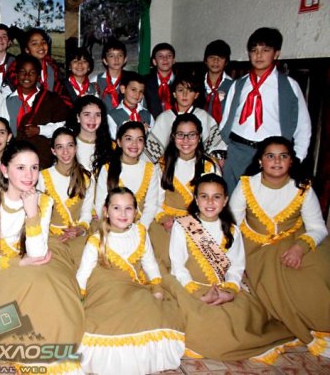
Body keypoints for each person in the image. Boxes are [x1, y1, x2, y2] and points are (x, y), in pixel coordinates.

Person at [0, 141, 84, 371]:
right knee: (7, 294)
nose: (29, 175)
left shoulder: (44, 201)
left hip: (30, 255)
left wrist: (32, 213)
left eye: (34, 167)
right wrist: (16, 263)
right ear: (4, 170)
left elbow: (37, 254)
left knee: (47, 283)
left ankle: (51, 347)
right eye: (20, 168)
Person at [167, 173, 295, 361]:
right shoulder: (182, 225)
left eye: (216, 197)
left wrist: (229, 291)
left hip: (222, 288)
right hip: (190, 287)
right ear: (196, 199)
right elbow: (178, 266)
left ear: (225, 200)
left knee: (238, 317)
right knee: (203, 318)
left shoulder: (232, 230)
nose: (210, 202)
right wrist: (197, 293)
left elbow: (236, 267)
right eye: (204, 196)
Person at [230, 137, 330, 358]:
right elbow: (232, 225)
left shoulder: (302, 188)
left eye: (283, 156)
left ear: (291, 161)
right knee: (273, 276)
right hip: (256, 247)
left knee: (316, 270)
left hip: (295, 241)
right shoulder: (247, 185)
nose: (277, 161)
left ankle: (322, 322)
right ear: (260, 161)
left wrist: (300, 247)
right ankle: (305, 327)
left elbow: (318, 228)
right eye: (270, 156)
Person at [76, 187, 184, 375]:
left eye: (128, 208)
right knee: (107, 315)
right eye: (116, 208)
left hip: (133, 286)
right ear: (106, 211)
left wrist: (156, 286)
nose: (123, 214)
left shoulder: (141, 232)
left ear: (135, 212)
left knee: (150, 308)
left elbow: (149, 263)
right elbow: (83, 273)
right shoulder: (97, 239)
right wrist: (79, 299)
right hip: (105, 287)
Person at [220, 27, 312, 192]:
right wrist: (224, 150)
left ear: (276, 54)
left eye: (265, 50)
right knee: (231, 199)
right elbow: (226, 120)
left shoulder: (289, 86)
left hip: (270, 155)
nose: (259, 55)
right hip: (236, 151)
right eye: (254, 50)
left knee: (262, 200)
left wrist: (297, 157)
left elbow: (303, 126)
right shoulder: (238, 85)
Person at [148, 114, 219, 269]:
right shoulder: (162, 165)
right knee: (167, 259)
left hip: (200, 222)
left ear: (199, 137)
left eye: (191, 135)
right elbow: (154, 201)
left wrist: (193, 222)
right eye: (180, 135)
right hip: (166, 222)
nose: (186, 140)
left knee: (201, 263)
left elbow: (215, 203)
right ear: (173, 137)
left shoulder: (209, 166)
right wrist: (166, 220)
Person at [38, 127, 95, 265]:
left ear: (76, 148)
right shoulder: (42, 177)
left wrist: (80, 229)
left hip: (77, 237)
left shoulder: (86, 177)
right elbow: (38, 214)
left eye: (70, 145)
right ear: (53, 151)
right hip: (50, 239)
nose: (65, 152)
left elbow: (86, 213)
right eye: (60, 147)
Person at [6, 54, 70, 168]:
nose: (27, 76)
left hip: (43, 158)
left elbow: (65, 126)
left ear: (39, 76)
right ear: (16, 75)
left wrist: (40, 130)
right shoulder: (8, 100)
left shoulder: (51, 99)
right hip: (16, 157)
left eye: (32, 72)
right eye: (22, 72)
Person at [145, 73, 226, 164]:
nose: (185, 94)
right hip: (169, 166)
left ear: (196, 95)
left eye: (190, 90)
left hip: (198, 165)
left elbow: (216, 148)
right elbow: (151, 154)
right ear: (174, 94)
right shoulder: (164, 118)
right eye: (180, 90)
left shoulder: (204, 117)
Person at [95, 121, 161, 230]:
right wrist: (115, 228)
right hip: (112, 225)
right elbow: (100, 203)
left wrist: (140, 229)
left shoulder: (151, 169)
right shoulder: (107, 169)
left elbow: (151, 205)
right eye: (129, 139)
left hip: (141, 225)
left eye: (139, 139)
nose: (134, 144)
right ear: (119, 142)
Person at [8, 28, 65, 100]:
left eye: (43, 42)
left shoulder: (54, 67)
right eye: (35, 44)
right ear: (27, 50)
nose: (41, 46)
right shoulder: (16, 69)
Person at [65, 95, 113, 178]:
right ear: (78, 117)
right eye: (87, 114)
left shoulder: (111, 146)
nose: (93, 119)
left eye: (97, 115)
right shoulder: (68, 145)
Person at [203, 40, 233, 123]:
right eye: (211, 57)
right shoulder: (196, 83)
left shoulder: (233, 85)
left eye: (221, 57)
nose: (216, 61)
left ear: (226, 62)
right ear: (205, 60)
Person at [144, 42, 176, 117]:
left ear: (174, 60)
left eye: (169, 56)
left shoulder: (183, 82)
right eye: (160, 56)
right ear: (154, 61)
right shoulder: (144, 82)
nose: (165, 59)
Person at [94, 38, 127, 110]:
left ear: (125, 59)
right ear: (105, 61)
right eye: (111, 56)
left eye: (120, 55)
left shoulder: (131, 79)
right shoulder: (95, 80)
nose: (116, 59)